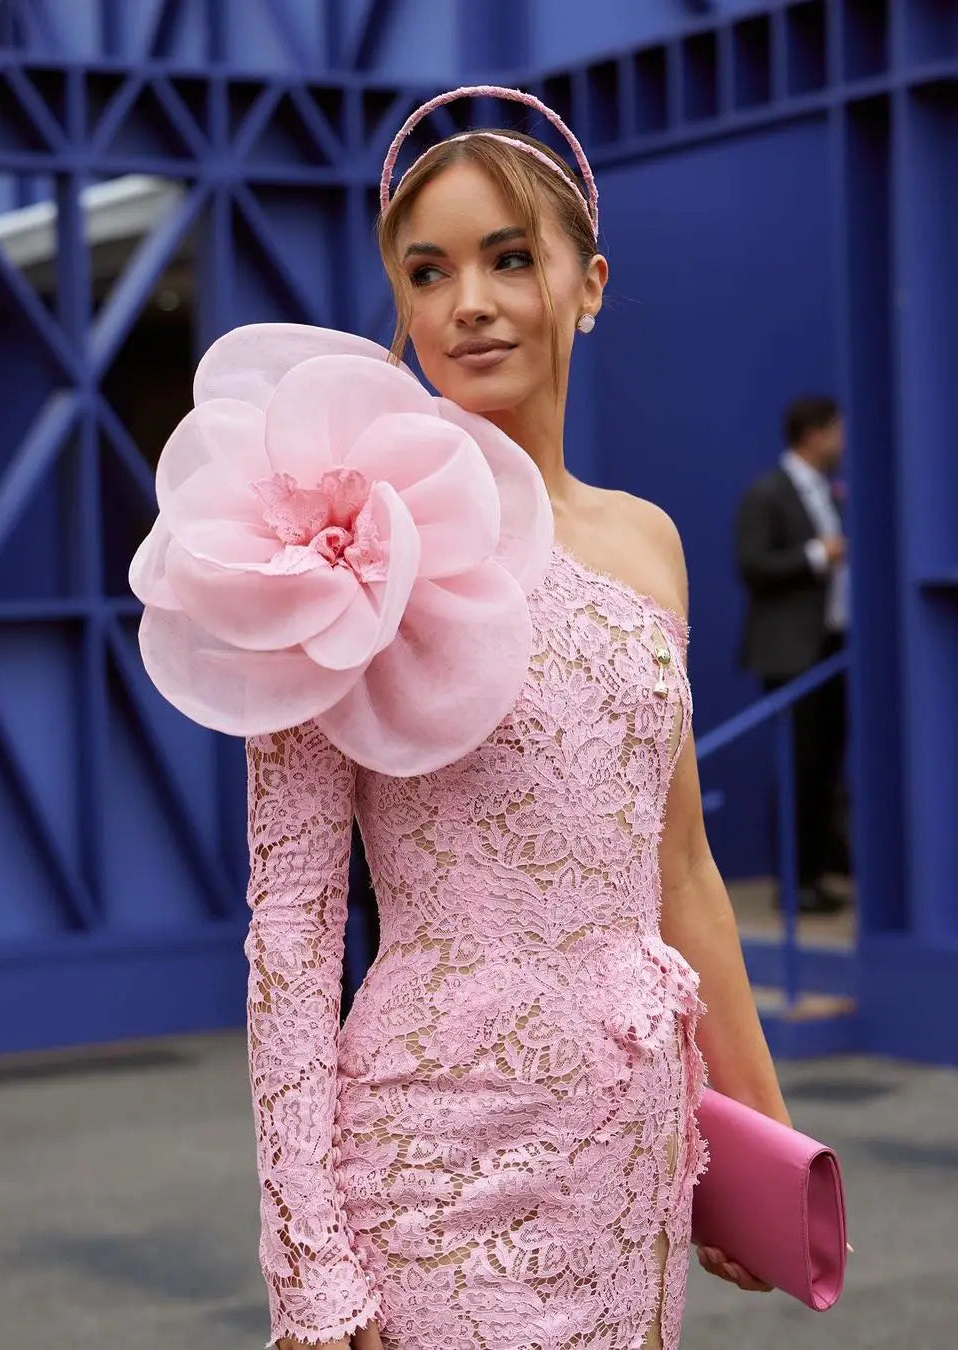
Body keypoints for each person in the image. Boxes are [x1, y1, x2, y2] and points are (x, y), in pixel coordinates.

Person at [130, 86, 791, 1350]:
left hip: (634, 1150)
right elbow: (294, 925)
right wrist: (310, 1266)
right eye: (428, 272)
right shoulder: (342, 543)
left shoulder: (649, 542)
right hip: (432, 1164)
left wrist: (755, 1140)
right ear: (405, 308)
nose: (469, 301)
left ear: (588, 284)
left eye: (508, 258)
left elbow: (685, 868)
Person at [735, 396, 850, 916]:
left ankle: (816, 875)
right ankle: (792, 881)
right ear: (813, 434)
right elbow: (753, 564)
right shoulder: (767, 493)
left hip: (832, 650)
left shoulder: (830, 491)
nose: (842, 442)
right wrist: (816, 555)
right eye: (836, 431)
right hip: (790, 655)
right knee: (798, 767)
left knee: (825, 767)